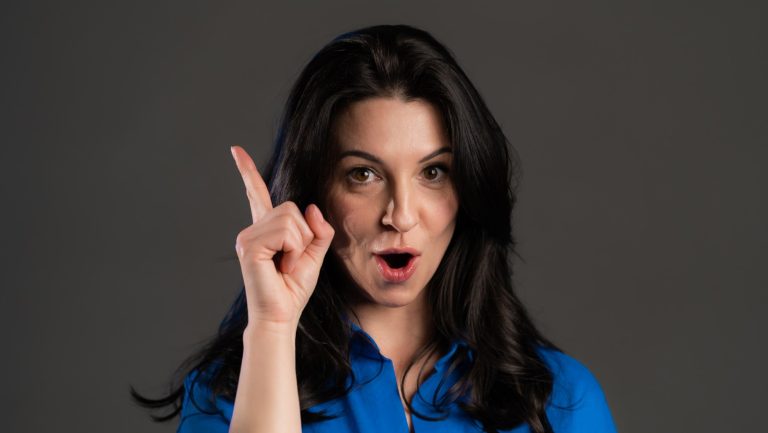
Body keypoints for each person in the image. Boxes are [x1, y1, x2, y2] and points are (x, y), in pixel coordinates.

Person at [132, 24, 618, 433]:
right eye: (363, 175)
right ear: (314, 189)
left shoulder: (560, 399)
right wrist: (274, 328)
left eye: (433, 172)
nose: (401, 216)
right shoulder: (232, 393)